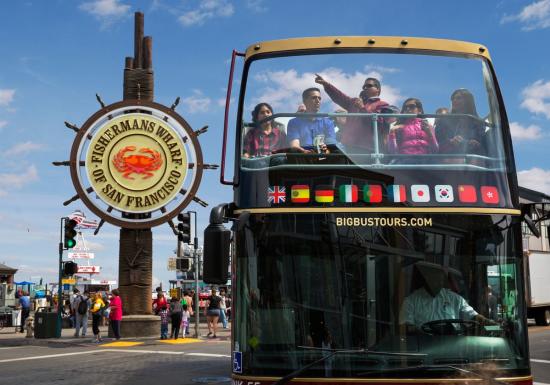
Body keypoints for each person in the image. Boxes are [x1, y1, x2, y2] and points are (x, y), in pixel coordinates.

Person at [400, 262, 493, 332]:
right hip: (423, 344)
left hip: (453, 343)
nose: (438, 283)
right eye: (434, 279)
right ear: (427, 279)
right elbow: (406, 327)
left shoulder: (455, 299)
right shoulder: (411, 301)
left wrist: (488, 322)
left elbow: (473, 316)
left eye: (441, 280)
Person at [315, 74, 396, 153]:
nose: (365, 88)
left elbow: (377, 125)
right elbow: (340, 97)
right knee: (328, 153)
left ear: (378, 89)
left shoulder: (382, 105)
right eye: (364, 87)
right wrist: (326, 84)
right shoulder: (354, 102)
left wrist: (362, 108)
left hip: (366, 148)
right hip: (347, 145)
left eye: (369, 86)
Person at [435, 88, 486, 159]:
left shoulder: (478, 122)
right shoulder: (444, 121)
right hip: (449, 156)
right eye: (453, 99)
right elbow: (437, 140)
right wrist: (451, 141)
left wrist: (473, 142)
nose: (454, 100)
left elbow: (481, 141)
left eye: (458, 98)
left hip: (472, 155)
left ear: (468, 100)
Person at [287, 87, 336, 154]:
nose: (318, 101)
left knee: (339, 153)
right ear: (305, 101)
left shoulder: (328, 122)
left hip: (325, 158)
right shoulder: (294, 122)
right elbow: (294, 146)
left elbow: (331, 147)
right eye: (314, 98)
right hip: (302, 158)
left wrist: (325, 151)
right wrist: (304, 152)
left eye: (319, 98)